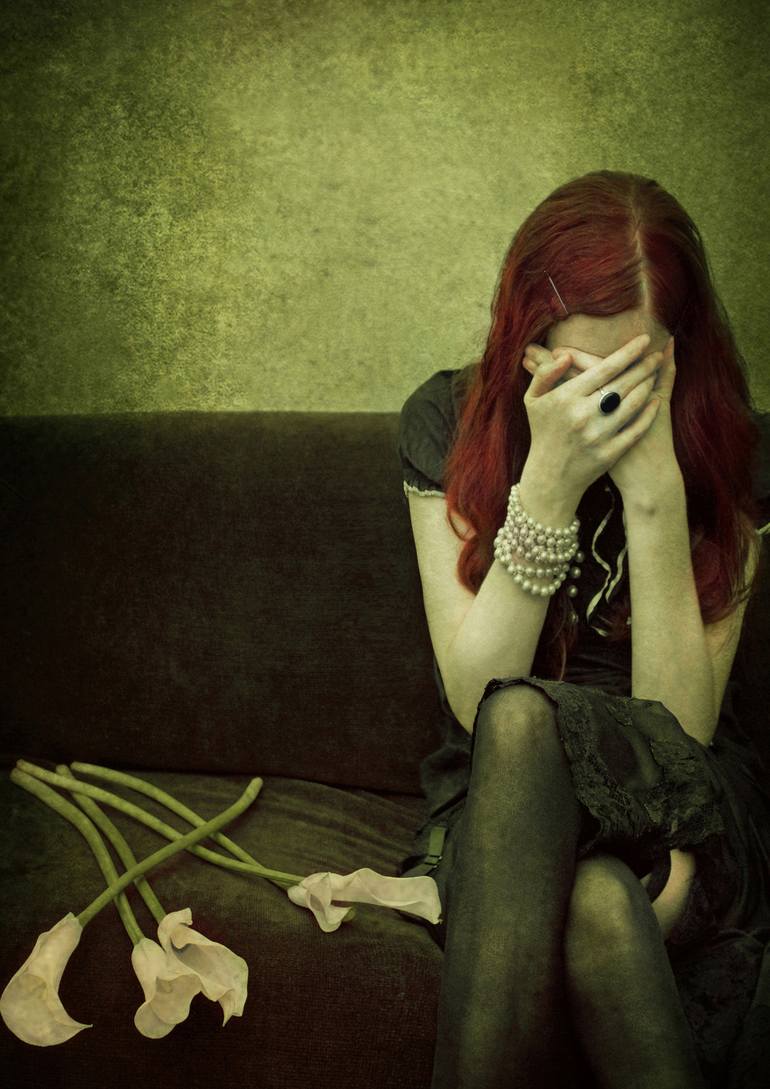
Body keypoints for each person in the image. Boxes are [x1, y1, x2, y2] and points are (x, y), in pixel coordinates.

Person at [395, 170, 770, 1089]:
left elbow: (681, 731)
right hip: (506, 788)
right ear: (526, 346)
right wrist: (549, 487)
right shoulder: (449, 421)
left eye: (634, 375)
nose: (607, 403)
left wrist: (655, 490)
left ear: (678, 353)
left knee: (538, 739)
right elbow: (474, 696)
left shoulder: (735, 447)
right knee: (566, 825)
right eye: (579, 374)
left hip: (679, 801)